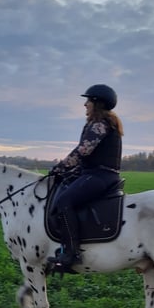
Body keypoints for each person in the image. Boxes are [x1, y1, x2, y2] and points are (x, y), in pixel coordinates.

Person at [47, 84, 123, 271]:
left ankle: (71, 253)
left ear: (97, 103)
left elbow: (83, 151)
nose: (85, 104)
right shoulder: (99, 123)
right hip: (94, 173)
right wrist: (67, 173)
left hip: (101, 176)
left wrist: (60, 167)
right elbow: (87, 157)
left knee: (64, 202)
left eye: (88, 100)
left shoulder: (100, 124)